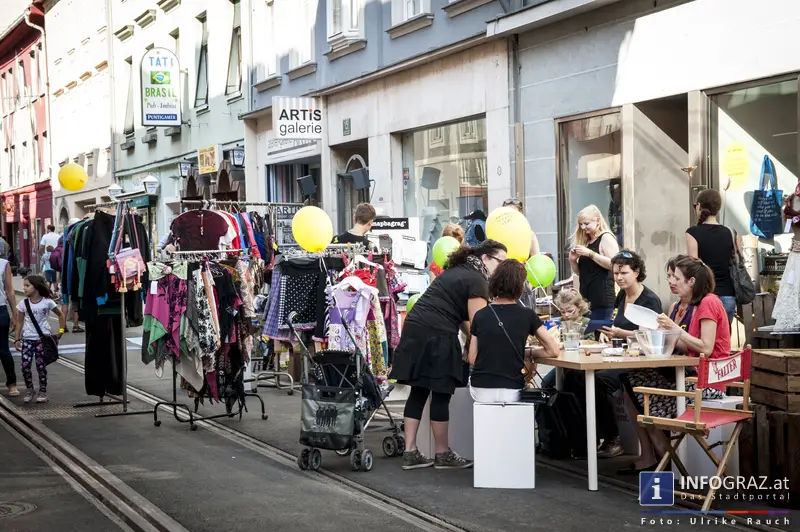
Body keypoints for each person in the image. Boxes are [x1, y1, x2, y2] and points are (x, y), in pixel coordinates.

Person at [390, 240, 508, 471]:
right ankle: (442, 453)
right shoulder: (477, 280)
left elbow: (463, 318)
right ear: (485, 259)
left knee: (419, 390)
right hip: (437, 334)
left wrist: (466, 341)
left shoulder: (458, 271)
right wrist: (478, 348)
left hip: (416, 328)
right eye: (500, 262)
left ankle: (410, 451)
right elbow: (478, 322)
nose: (501, 268)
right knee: (441, 393)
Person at [620, 256, 728, 473]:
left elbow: (705, 348)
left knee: (634, 384)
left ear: (691, 281)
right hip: (685, 373)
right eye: (669, 276)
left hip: (708, 381)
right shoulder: (678, 306)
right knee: (628, 380)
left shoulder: (708, 302)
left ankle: (663, 453)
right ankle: (656, 453)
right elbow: (674, 344)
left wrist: (674, 329)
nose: (670, 281)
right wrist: (652, 334)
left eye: (675, 277)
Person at [468, 259, 559, 403]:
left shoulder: (480, 315)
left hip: (481, 388)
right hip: (512, 389)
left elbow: (472, 358)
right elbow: (553, 350)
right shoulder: (528, 315)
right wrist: (528, 353)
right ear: (520, 285)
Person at [685, 189, 738, 324]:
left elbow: (694, 267)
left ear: (699, 206)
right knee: (723, 339)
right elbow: (737, 261)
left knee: (704, 339)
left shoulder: (692, 233)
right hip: (728, 293)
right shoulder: (731, 233)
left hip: (705, 295)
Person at [14, 275, 66, 404]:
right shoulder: (23, 304)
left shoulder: (47, 302)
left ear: (36, 287)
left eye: (27, 285)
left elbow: (61, 315)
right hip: (27, 339)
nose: (24, 288)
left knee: (41, 366)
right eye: (24, 285)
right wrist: (17, 339)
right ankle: (30, 390)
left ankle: (43, 391)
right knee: (25, 366)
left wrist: (61, 331)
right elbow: (19, 322)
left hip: (42, 339)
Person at [569, 205, 619, 321]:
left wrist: (590, 253)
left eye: (586, 224)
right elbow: (582, 272)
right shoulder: (587, 241)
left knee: (601, 334)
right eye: (581, 224)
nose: (583, 227)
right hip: (587, 300)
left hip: (603, 300)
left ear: (597, 221)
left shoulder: (606, 237)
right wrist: (572, 260)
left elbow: (614, 264)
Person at [599, 250, 663, 340]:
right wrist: (607, 332)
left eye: (624, 273)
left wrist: (619, 333)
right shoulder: (622, 294)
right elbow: (614, 322)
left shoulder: (650, 300)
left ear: (636, 273)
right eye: (616, 273)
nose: (619, 278)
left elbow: (653, 336)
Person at [0, 255, 18, 396]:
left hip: (0, 310)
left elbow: (9, 290)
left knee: (3, 350)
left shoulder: (3, 264)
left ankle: (12, 383)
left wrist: (14, 313)